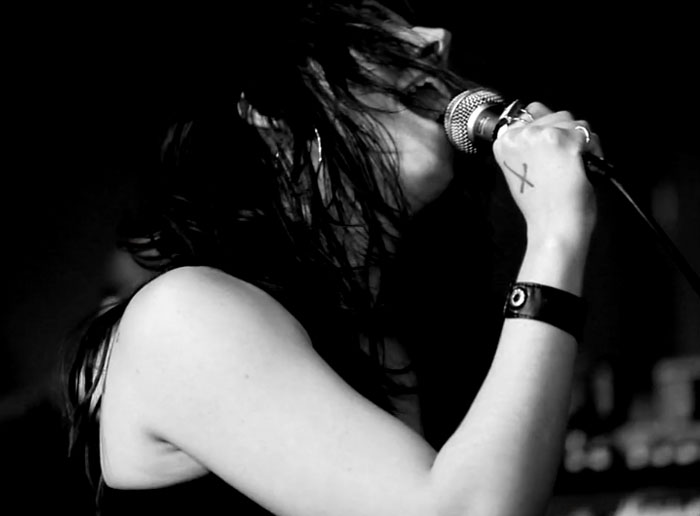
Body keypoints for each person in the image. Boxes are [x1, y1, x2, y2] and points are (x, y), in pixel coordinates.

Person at [63, 1, 602, 514]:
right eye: (367, 20)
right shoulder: (185, 314)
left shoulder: (399, 327)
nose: (435, 38)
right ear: (271, 107)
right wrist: (555, 235)